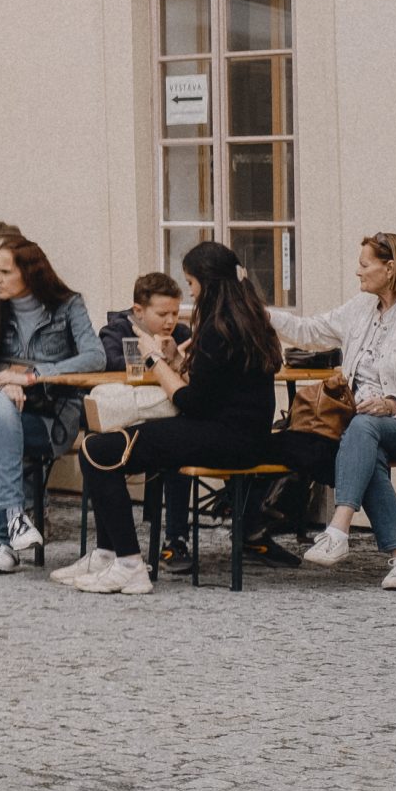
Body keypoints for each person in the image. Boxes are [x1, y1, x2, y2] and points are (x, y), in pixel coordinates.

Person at [61, 241, 279, 594]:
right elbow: (213, 389)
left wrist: (154, 359)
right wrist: (178, 360)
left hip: (223, 440)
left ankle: (127, 563)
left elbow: (192, 403)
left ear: (206, 282)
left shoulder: (217, 328)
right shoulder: (249, 321)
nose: (191, 292)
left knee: (97, 451)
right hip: (243, 438)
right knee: (101, 448)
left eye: (191, 283)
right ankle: (109, 555)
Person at [0, 235, 104, 575]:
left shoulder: (68, 306)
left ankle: (2, 539)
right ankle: (15, 519)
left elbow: (95, 356)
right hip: (3, 412)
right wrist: (4, 385)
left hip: (52, 421)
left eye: (5, 272)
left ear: (30, 273)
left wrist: (32, 376)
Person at [274, 233, 396, 590]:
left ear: (390, 268)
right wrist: (259, 313)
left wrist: (393, 403)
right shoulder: (360, 308)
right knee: (367, 446)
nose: (357, 272)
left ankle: (338, 528)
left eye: (364, 265)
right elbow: (308, 330)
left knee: (364, 428)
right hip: (367, 429)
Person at [99, 273, 188, 373]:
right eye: (162, 314)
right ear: (138, 311)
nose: (171, 321)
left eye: (175, 313)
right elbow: (109, 363)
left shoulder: (182, 333)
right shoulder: (116, 331)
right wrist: (154, 359)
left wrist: (179, 358)